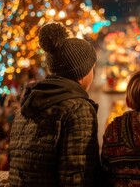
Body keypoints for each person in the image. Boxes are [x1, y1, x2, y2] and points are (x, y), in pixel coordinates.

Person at [9, 22, 100, 186]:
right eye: (92, 68)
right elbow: (76, 175)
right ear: (81, 72)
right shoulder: (77, 108)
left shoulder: (27, 105)